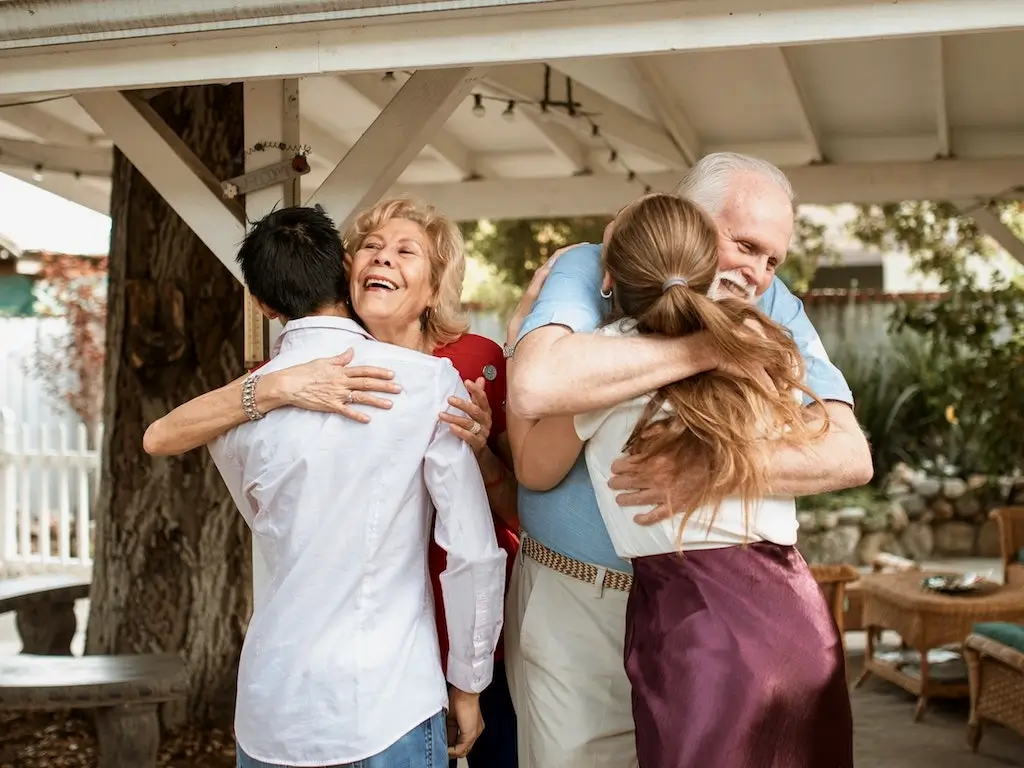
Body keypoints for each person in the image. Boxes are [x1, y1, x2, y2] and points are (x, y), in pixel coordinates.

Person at [503, 153, 873, 768]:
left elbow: (848, 452)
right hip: (586, 603)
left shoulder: (772, 307)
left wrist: (711, 469)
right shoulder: (591, 265)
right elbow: (537, 387)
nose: (758, 275)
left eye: (773, 259)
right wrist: (709, 347)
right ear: (689, 218)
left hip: (700, 625)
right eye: (745, 245)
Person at [143, 199, 520, 768]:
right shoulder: (428, 385)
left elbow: (264, 518)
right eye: (373, 247)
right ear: (345, 269)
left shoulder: (235, 412)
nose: (383, 259)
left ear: (261, 304)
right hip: (388, 696)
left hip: (275, 703)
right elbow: (472, 551)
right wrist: (468, 686)